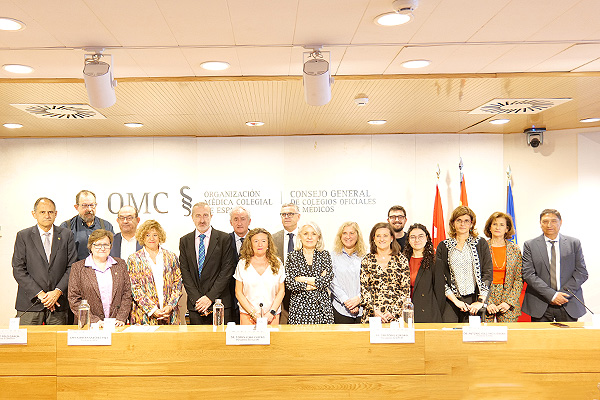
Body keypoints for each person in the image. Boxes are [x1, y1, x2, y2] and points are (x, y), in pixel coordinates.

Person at [12, 197, 77, 325]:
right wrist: (40, 294)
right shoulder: (23, 236)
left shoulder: (66, 235)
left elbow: (72, 267)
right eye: (42, 212)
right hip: (30, 304)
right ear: (34, 214)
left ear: (56, 214)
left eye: (50, 212)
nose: (47, 216)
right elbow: (18, 269)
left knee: (57, 339)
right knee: (28, 338)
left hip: (58, 303)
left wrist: (57, 292)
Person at [522, 209, 588, 322]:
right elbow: (528, 274)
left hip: (568, 302)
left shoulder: (574, 243)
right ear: (540, 223)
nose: (549, 225)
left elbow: (581, 273)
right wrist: (551, 295)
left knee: (569, 334)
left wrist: (562, 295)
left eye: (553, 221)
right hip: (540, 302)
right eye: (545, 221)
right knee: (541, 334)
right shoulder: (530, 245)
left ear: (560, 222)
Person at [179, 202, 236, 325]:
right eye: (198, 216)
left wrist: (209, 298)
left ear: (211, 216)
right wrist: (198, 300)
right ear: (192, 217)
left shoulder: (224, 239)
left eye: (205, 215)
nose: (202, 220)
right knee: (197, 338)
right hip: (196, 306)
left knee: (221, 338)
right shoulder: (185, 241)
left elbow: (226, 271)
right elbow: (185, 272)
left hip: (220, 304)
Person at [435, 206, 492, 323]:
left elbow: (487, 272)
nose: (463, 224)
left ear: (471, 224)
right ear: (453, 223)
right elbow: (440, 277)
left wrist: (480, 301)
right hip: (451, 300)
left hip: (474, 299)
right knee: (450, 332)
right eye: (459, 220)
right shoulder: (443, 246)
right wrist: (456, 301)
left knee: (471, 333)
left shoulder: (480, 243)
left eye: (466, 221)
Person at [68, 229, 132, 326]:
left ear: (110, 246)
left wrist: (121, 318)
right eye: (97, 245)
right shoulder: (78, 268)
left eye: (106, 245)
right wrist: (94, 320)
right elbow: (74, 299)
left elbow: (127, 293)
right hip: (88, 325)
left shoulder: (120, 264)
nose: (102, 248)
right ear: (91, 247)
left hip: (116, 324)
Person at [127, 220, 182, 325]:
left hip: (169, 315)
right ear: (142, 237)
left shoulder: (171, 257)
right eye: (147, 235)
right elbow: (134, 288)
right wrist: (152, 310)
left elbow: (178, 283)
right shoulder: (134, 259)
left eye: (155, 235)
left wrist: (170, 306)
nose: (151, 238)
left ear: (160, 236)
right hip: (144, 317)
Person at [284, 222, 334, 324]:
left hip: (322, 309)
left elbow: (326, 281)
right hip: (299, 308)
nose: (309, 237)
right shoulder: (292, 256)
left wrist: (303, 279)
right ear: (300, 236)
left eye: (313, 234)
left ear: (318, 237)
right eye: (305, 233)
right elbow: (290, 283)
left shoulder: (325, 255)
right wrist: (316, 281)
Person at [360, 222, 410, 324]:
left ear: (391, 238)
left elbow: (405, 290)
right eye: (378, 236)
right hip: (372, 316)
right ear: (373, 239)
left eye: (385, 235)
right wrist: (374, 310)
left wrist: (393, 312)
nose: (381, 239)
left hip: (395, 317)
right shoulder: (367, 260)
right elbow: (364, 289)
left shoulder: (401, 260)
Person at [234, 228, 285, 325]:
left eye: (263, 241)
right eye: (256, 241)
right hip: (248, 316)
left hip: (272, 316)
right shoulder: (242, 263)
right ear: (250, 244)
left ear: (268, 244)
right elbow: (238, 292)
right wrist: (253, 314)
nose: (260, 244)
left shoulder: (277, 263)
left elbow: (281, 291)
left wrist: (271, 312)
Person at [482, 212, 523, 322]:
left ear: (507, 229)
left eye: (502, 225)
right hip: (486, 295)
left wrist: (509, 302)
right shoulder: (481, 248)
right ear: (489, 227)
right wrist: (487, 301)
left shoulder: (515, 250)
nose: (497, 227)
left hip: (508, 296)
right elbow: (476, 277)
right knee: (484, 332)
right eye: (494, 224)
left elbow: (519, 279)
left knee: (509, 332)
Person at [403, 223, 445, 323]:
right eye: (413, 237)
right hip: (406, 311)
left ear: (427, 238)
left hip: (428, 314)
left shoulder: (435, 262)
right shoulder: (402, 261)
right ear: (408, 240)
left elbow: (440, 294)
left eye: (420, 236)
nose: (417, 240)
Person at [61, 190, 114, 261]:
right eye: (84, 205)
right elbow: (62, 255)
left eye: (92, 205)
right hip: (76, 267)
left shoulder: (106, 226)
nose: (89, 209)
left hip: (102, 267)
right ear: (76, 207)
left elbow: (112, 251)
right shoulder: (66, 227)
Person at [330, 221, 367, 324]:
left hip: (363, 309)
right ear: (340, 236)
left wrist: (358, 299)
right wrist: (346, 301)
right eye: (345, 233)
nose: (348, 236)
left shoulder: (366, 256)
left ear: (357, 236)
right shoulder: (333, 256)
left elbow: (370, 282)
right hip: (340, 309)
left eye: (352, 233)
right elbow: (332, 282)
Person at [273, 202, 301, 324]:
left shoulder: (307, 236)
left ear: (298, 216)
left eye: (290, 214)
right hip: (280, 291)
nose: (287, 217)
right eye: (283, 214)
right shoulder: (273, 238)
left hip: (302, 290)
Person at [228, 206, 251, 323]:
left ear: (249, 221)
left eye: (243, 219)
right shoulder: (224, 240)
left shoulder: (258, 240)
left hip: (252, 299)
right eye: (236, 219)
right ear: (231, 222)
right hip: (229, 300)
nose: (239, 223)